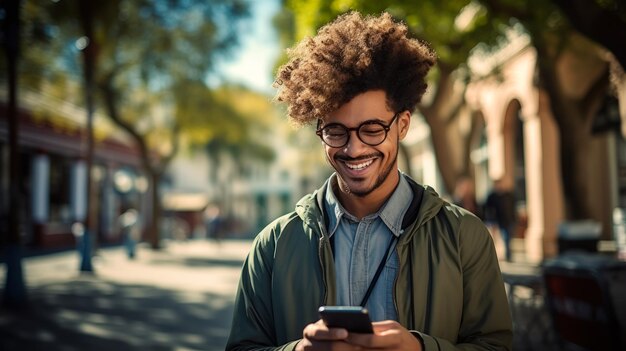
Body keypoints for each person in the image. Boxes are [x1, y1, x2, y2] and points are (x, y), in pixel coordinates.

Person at [227, 11, 512, 351]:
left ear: (402, 125)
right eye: (335, 131)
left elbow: (496, 345)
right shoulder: (272, 246)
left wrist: (421, 349)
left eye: (372, 129)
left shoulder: (465, 236)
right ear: (320, 132)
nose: (354, 148)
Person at [483, 179, 516, 262]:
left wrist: (514, 219)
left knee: (507, 239)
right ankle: (496, 256)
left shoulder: (509, 195)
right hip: (496, 221)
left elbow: (513, 208)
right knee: (496, 239)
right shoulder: (492, 196)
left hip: (508, 220)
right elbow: (487, 208)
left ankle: (508, 255)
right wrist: (490, 219)